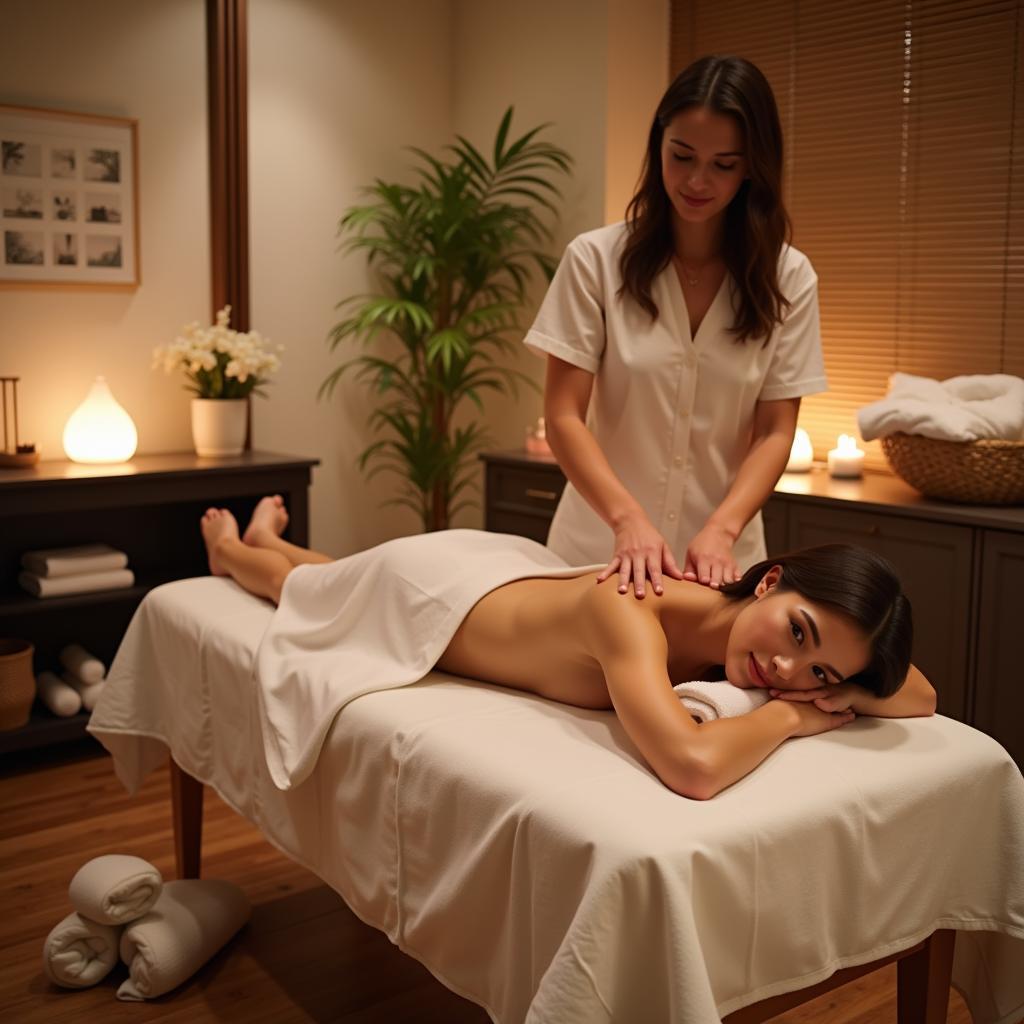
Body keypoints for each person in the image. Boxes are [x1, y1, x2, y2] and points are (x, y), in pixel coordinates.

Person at [201, 497, 936, 800]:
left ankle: (278, 541)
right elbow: (692, 768)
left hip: (513, 576)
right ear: (769, 580)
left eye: (819, 674)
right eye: (797, 633)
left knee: (333, 577)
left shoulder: (741, 626)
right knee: (307, 592)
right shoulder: (630, 613)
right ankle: (240, 550)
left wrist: (847, 676)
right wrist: (794, 717)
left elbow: (921, 694)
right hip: (432, 589)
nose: (784, 672)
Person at [526, 55, 826, 598]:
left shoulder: (788, 277)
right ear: (658, 144)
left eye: (723, 164)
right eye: (681, 155)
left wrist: (723, 527)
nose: (696, 180)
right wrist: (625, 519)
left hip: (721, 564)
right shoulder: (595, 260)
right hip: (595, 553)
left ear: (752, 166)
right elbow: (564, 414)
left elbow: (776, 430)